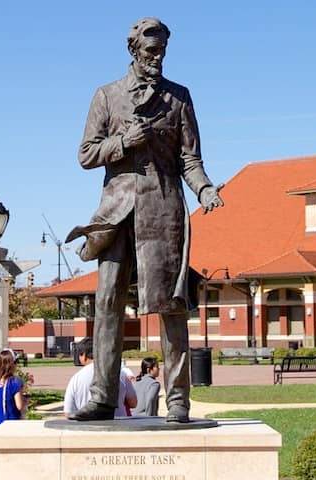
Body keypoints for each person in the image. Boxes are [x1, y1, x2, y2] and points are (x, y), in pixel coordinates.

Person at [66, 17, 223, 423]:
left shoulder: (179, 98)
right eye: (151, 51)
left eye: (163, 52)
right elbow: (86, 154)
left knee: (172, 304)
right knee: (107, 300)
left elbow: (190, 158)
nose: (158, 59)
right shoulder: (107, 95)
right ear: (133, 50)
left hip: (164, 209)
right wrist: (122, 143)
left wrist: (204, 189)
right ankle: (102, 396)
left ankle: (178, 400)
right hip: (117, 211)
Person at [63, 342, 137, 418]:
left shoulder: (75, 379)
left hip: (87, 426)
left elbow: (68, 412)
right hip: (119, 426)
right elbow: (133, 403)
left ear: (84, 355)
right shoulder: (120, 373)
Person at [0, 349, 29, 432]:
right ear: (12, 365)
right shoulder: (14, 382)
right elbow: (19, 406)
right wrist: (25, 400)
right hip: (10, 424)